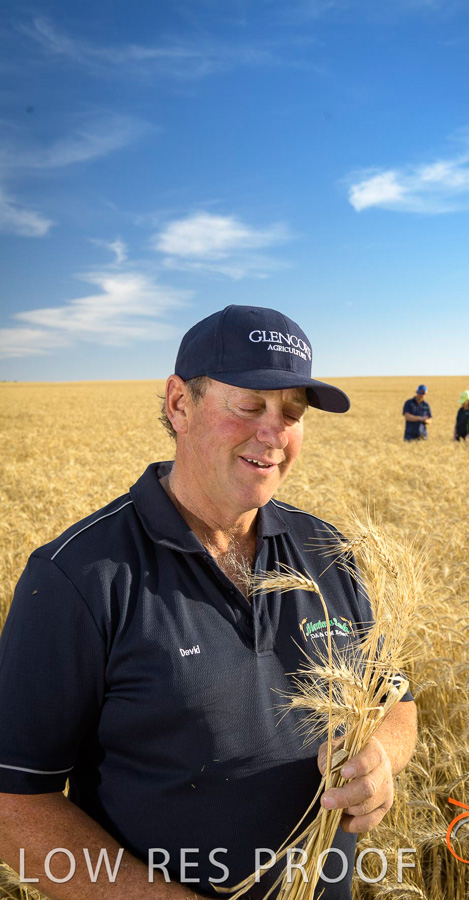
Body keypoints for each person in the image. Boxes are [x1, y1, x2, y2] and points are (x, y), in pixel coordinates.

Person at [0, 305, 417, 900]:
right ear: (180, 405)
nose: (274, 434)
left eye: (292, 412)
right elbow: (14, 801)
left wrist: (380, 757)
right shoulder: (80, 576)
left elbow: (395, 702)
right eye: (249, 406)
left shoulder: (331, 553)